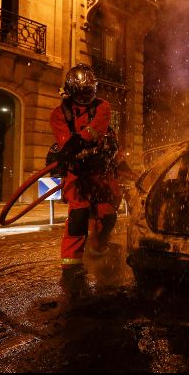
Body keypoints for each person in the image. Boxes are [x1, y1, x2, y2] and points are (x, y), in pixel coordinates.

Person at [50, 63, 135, 295]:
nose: (87, 96)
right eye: (82, 92)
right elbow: (64, 138)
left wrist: (84, 139)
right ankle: (71, 267)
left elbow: (99, 128)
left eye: (90, 91)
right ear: (71, 91)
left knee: (107, 217)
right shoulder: (60, 114)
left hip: (102, 174)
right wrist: (69, 150)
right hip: (78, 176)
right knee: (78, 217)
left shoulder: (103, 107)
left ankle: (99, 249)